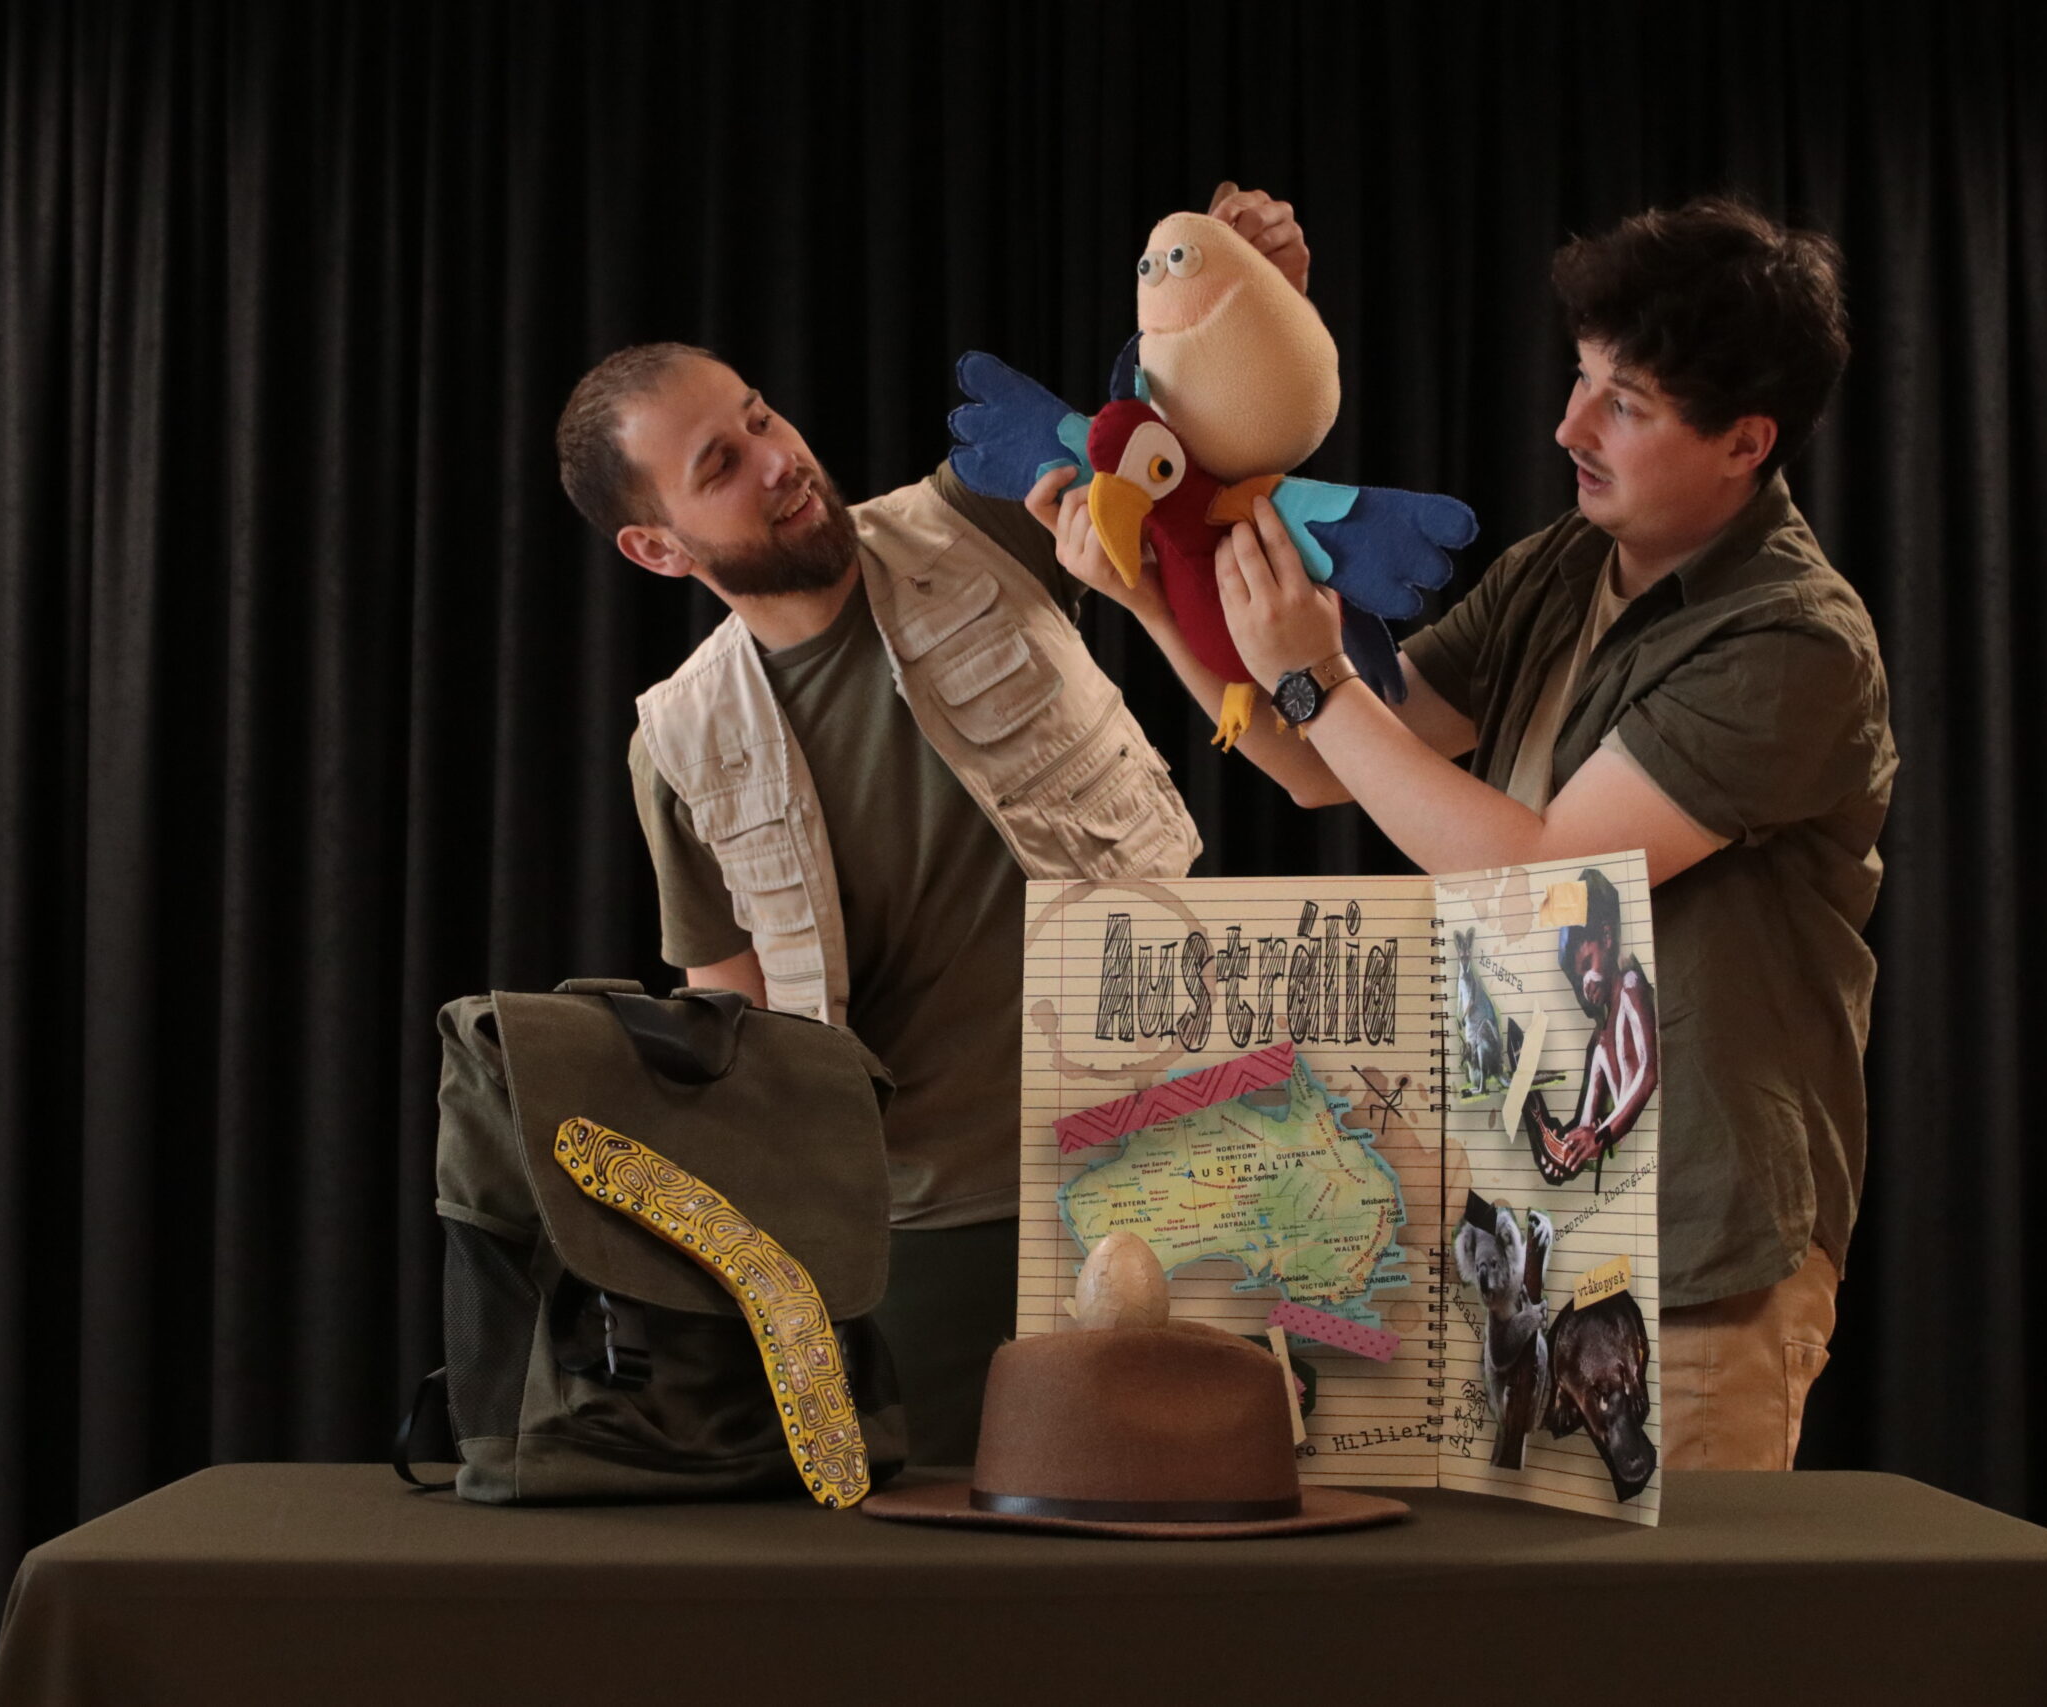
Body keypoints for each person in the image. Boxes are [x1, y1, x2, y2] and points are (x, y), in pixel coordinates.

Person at [1036, 195, 1896, 1470]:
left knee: (1679, 1601)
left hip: (1689, 1252)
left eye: (1626, 406)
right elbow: (1321, 765)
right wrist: (1156, 598)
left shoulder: (1791, 641)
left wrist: (1314, 678)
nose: (1569, 428)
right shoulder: (1563, 567)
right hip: (1530, 1231)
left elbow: (1545, 873)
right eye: (1580, 379)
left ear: (1745, 442)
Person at [551, 187, 1308, 1464]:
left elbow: (1174, 442)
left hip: (1180, 1157)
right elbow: (732, 1046)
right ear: (656, 547)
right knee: (957, 1570)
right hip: (923, 1243)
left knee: (1216, 1536)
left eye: (759, 418)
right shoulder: (674, 745)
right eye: (718, 467)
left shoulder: (972, 515)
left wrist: (1252, 297)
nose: (775, 460)